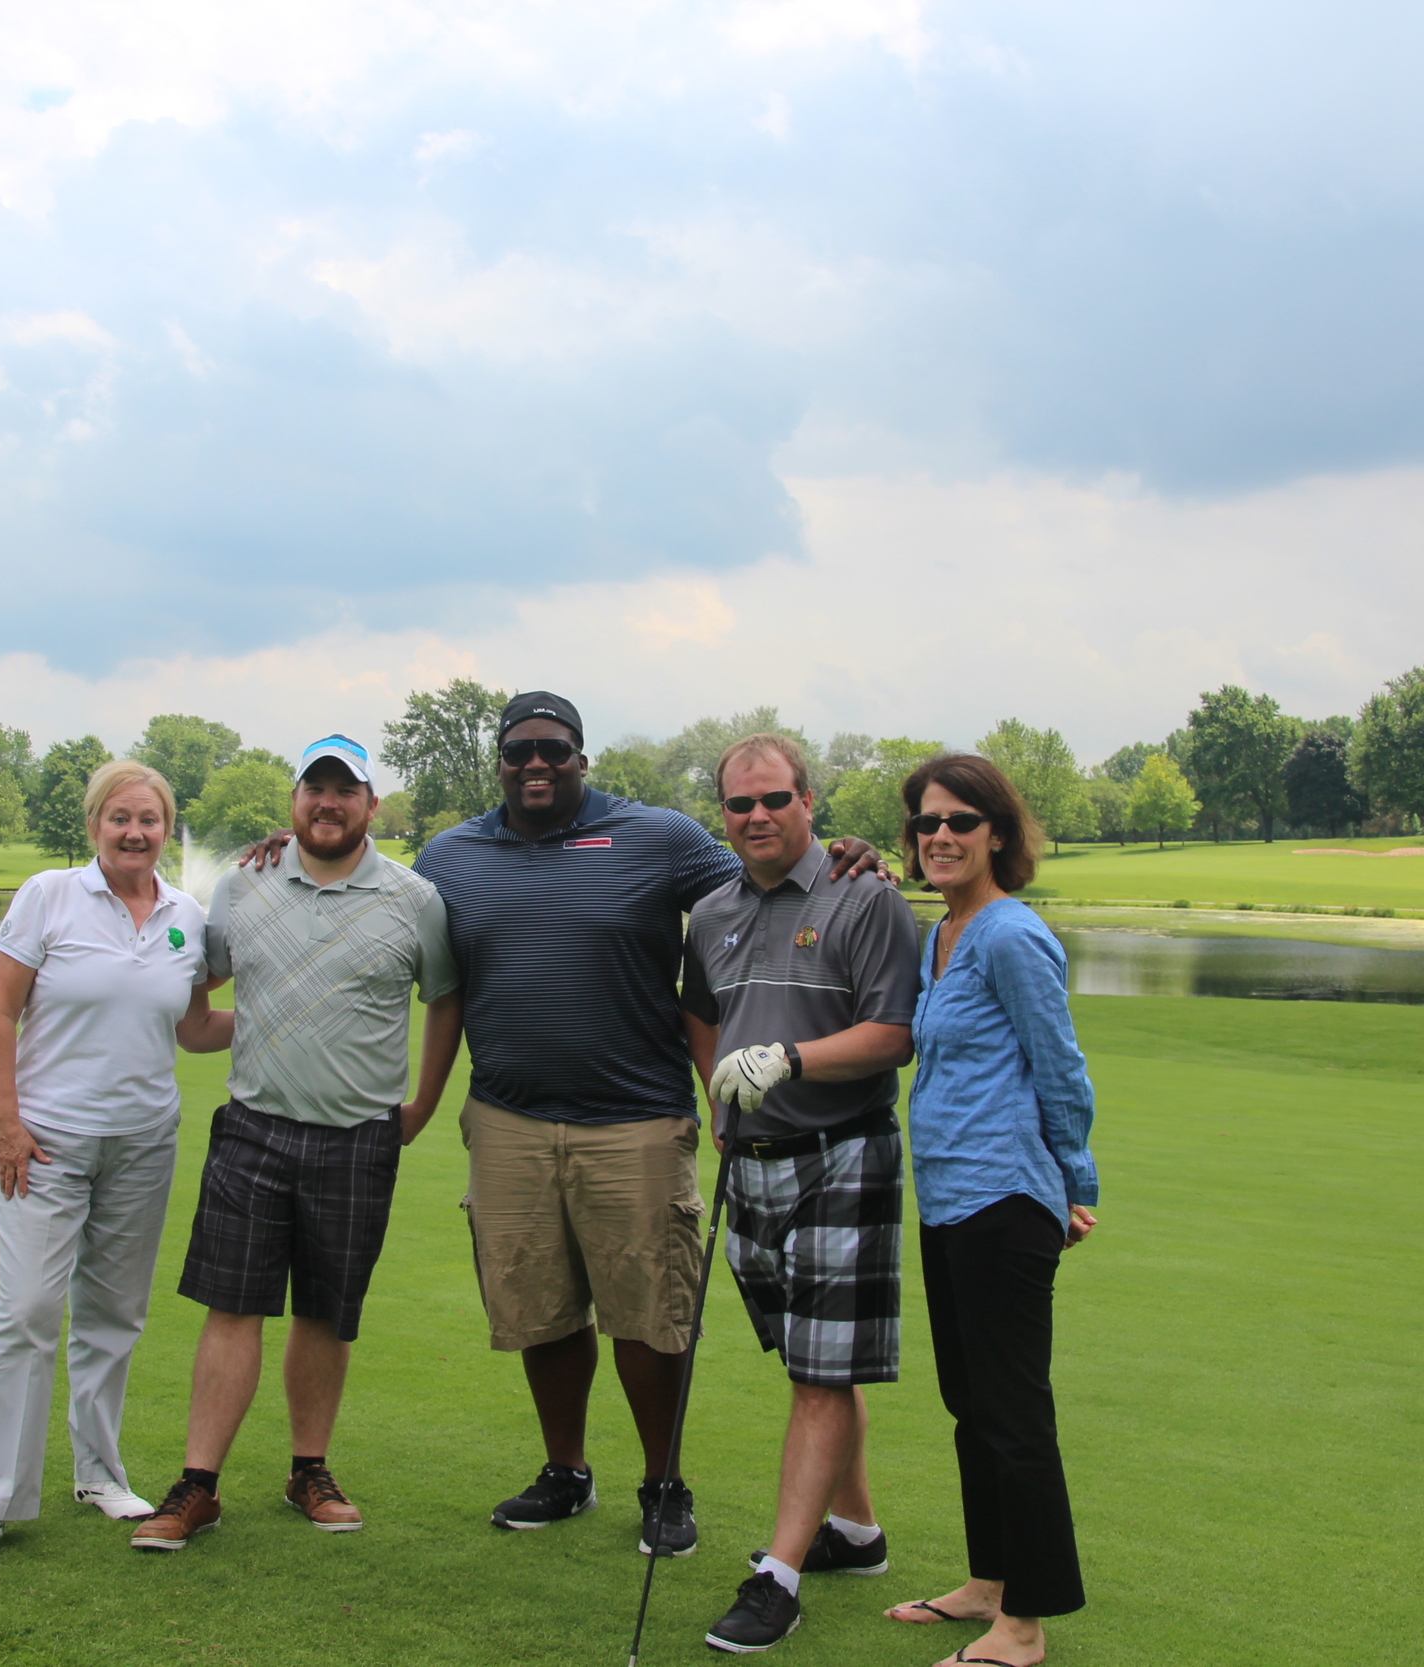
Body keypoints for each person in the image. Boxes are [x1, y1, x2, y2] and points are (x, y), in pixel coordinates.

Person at [394, 692, 890, 1559]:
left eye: (554, 747)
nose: (536, 763)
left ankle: (663, 1483)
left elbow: (762, 878)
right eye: (519, 750)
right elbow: (382, 911)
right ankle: (566, 1471)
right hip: (507, 1117)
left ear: (583, 757)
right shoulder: (450, 855)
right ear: (499, 761)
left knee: (650, 1317)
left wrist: (847, 852)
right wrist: (293, 846)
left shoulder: (657, 837)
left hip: (634, 1119)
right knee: (538, 1310)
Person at [129, 734, 463, 1551]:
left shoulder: (415, 898)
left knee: (326, 1312)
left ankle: (307, 1469)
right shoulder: (243, 886)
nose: (328, 802)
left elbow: (446, 999)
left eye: (344, 789)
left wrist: (418, 1106)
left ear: (369, 805)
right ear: (294, 803)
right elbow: (194, 997)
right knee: (232, 1305)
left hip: (358, 1137)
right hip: (254, 1128)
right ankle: (198, 1484)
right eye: (314, 788)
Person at [0, 759, 231, 1566]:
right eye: (120, 818)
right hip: (47, 1141)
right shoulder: (49, 896)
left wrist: (265, 1023)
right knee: (29, 1310)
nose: (135, 831)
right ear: (94, 826)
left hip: (143, 1143)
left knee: (113, 1317)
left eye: (149, 819)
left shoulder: (186, 915)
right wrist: (7, 1125)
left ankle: (100, 1473)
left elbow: (193, 1028)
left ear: (166, 829)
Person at [678, 733, 920, 1654]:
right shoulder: (710, 911)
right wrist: (716, 1090)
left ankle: (777, 1575)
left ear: (809, 800)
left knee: (822, 1372)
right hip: (754, 1158)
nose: (757, 817)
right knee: (813, 1358)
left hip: (843, 1147)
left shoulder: (866, 896)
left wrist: (788, 1058)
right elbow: (699, 1010)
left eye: (774, 799)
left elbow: (893, 1033)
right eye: (739, 805)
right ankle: (855, 1534)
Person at [881, 752, 1099, 1667]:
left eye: (960, 821)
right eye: (927, 822)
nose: (940, 836)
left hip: (1006, 1198)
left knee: (1013, 1411)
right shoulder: (943, 935)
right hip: (948, 1199)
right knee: (969, 1401)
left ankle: (1027, 1622)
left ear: (998, 834)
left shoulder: (1010, 935)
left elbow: (1061, 1066)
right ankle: (990, 1581)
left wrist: (1075, 1182)